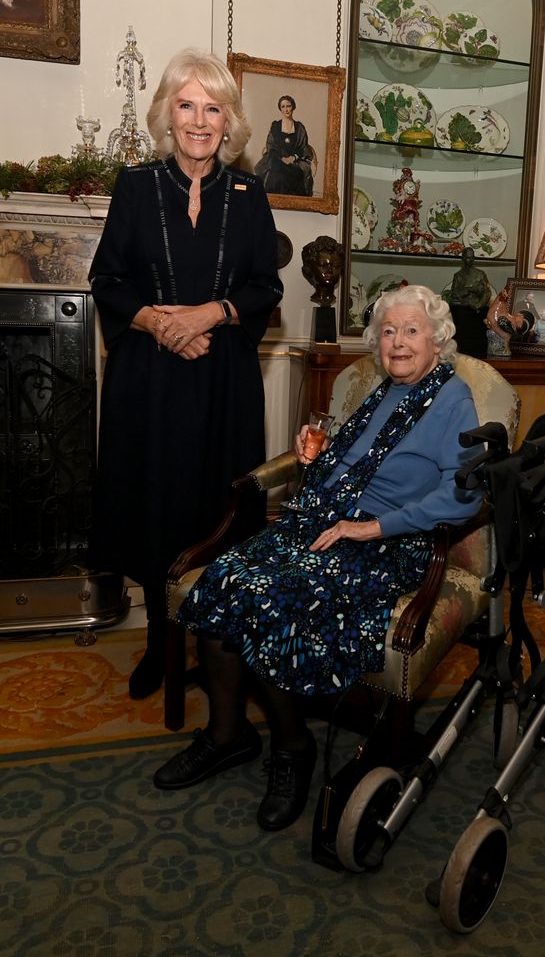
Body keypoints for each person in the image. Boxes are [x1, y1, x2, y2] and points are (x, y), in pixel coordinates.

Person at [153, 285, 483, 831]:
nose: (396, 342)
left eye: (411, 331)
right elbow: (356, 463)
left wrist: (373, 526)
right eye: (387, 332)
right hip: (324, 527)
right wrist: (319, 453)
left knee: (269, 601)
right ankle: (226, 735)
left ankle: (292, 748)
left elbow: (464, 493)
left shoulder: (454, 401)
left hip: (387, 543)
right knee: (225, 580)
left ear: (437, 340)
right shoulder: (380, 392)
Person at [88, 48, 282, 701]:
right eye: (187, 104)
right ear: (167, 115)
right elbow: (106, 280)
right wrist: (159, 322)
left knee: (218, 508)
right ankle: (159, 645)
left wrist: (208, 314)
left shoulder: (251, 196)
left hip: (223, 382)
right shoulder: (135, 186)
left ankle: (219, 639)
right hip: (149, 381)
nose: (201, 119)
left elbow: (265, 288)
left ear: (229, 122)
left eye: (214, 106)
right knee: (152, 505)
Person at [255, 95, 315, 196]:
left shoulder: (299, 127)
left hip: (295, 161)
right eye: (283, 107)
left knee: (296, 174)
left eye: (288, 106)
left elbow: (303, 147)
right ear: (280, 109)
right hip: (277, 159)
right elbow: (271, 146)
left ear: (293, 107)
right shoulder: (275, 126)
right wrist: (282, 158)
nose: (286, 109)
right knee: (274, 172)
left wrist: (293, 157)